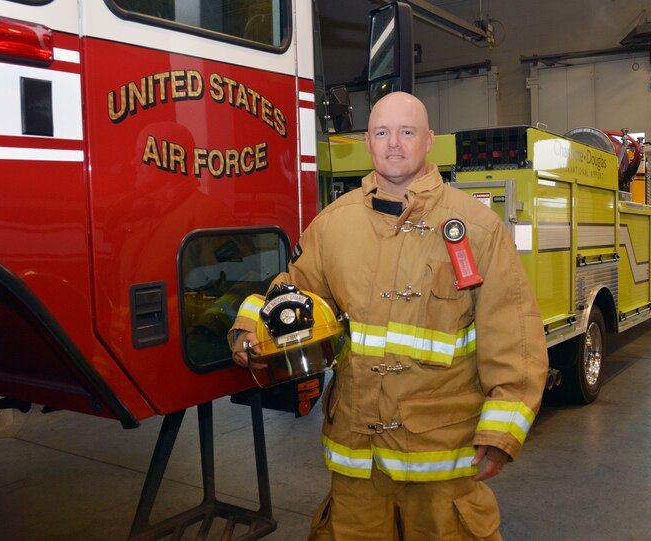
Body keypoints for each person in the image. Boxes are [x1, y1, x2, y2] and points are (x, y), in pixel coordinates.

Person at [229, 91, 548, 540]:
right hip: (357, 454)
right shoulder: (333, 224)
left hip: (443, 457)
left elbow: (513, 337)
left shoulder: (476, 229)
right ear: (368, 141)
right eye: (381, 132)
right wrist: (250, 329)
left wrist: (501, 434)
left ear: (429, 140)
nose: (393, 143)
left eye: (406, 131)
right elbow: (295, 298)